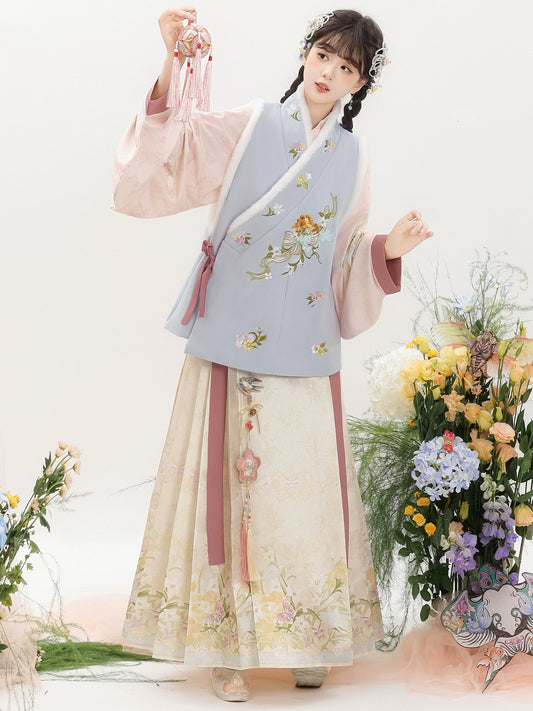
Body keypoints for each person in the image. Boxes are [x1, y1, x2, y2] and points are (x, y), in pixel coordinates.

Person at [113, 6, 433, 702]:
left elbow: (345, 252)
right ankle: (224, 646)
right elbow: (175, 147)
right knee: (229, 491)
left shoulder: (352, 158)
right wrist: (171, 61)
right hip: (231, 330)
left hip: (305, 342)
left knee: (301, 494)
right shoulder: (253, 122)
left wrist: (388, 250)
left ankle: (307, 636)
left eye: (346, 67)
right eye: (323, 56)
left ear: (359, 84)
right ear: (305, 54)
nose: (329, 73)